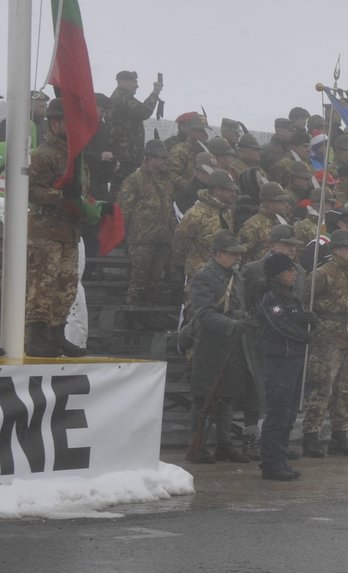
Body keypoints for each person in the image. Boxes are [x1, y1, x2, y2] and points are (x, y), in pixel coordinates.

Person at [185, 231, 255, 463]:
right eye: (232, 253)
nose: (237, 257)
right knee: (204, 398)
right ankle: (199, 445)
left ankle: (225, 444)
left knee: (228, 397)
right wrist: (233, 324)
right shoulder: (204, 277)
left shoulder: (236, 277)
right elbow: (203, 313)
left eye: (238, 254)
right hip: (211, 345)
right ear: (218, 254)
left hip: (233, 344)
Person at [22, 98, 83, 356]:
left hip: (68, 230)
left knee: (66, 283)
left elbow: (81, 192)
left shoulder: (76, 156)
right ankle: (35, 336)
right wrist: (60, 196)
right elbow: (29, 190)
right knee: (43, 284)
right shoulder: (43, 155)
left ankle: (57, 333)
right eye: (68, 121)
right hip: (45, 230)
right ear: (55, 123)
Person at [301, 230, 348, 458]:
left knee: (346, 389)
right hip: (327, 335)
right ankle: (310, 435)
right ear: (336, 249)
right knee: (322, 386)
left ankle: (340, 436)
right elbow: (306, 301)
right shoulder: (322, 273)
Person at [253, 251, 314, 481]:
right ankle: (271, 462)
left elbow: (293, 318)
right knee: (277, 413)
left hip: (293, 358)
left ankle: (281, 457)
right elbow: (279, 326)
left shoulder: (289, 297)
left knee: (288, 414)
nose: (294, 275)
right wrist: (302, 334)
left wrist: (305, 319)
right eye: (290, 271)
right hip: (279, 359)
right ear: (278, 274)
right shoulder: (270, 297)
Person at [118, 139, 179, 308]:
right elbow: (124, 210)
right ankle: (132, 315)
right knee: (139, 281)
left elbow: (170, 208)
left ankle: (145, 315)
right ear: (149, 158)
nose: (165, 161)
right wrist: (126, 237)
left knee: (154, 282)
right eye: (161, 158)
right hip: (142, 240)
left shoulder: (167, 182)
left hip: (163, 238)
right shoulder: (135, 180)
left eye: (166, 158)